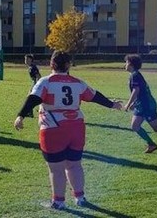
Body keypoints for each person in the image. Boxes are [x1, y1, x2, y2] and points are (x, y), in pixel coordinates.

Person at [14, 51, 122, 210]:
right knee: (75, 165)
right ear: (68, 65)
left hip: (53, 129)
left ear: (51, 64)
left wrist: (20, 116)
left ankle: (58, 201)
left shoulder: (46, 82)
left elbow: (33, 98)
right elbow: (95, 96)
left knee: (56, 169)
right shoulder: (77, 83)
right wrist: (112, 104)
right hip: (76, 129)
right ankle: (80, 197)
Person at [124, 54, 157, 153]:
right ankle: (151, 144)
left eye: (126, 62)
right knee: (135, 126)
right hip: (141, 105)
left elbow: (136, 90)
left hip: (147, 105)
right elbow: (141, 92)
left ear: (131, 64)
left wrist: (128, 104)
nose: (125, 64)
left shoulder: (135, 75)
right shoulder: (134, 75)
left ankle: (151, 144)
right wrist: (134, 103)